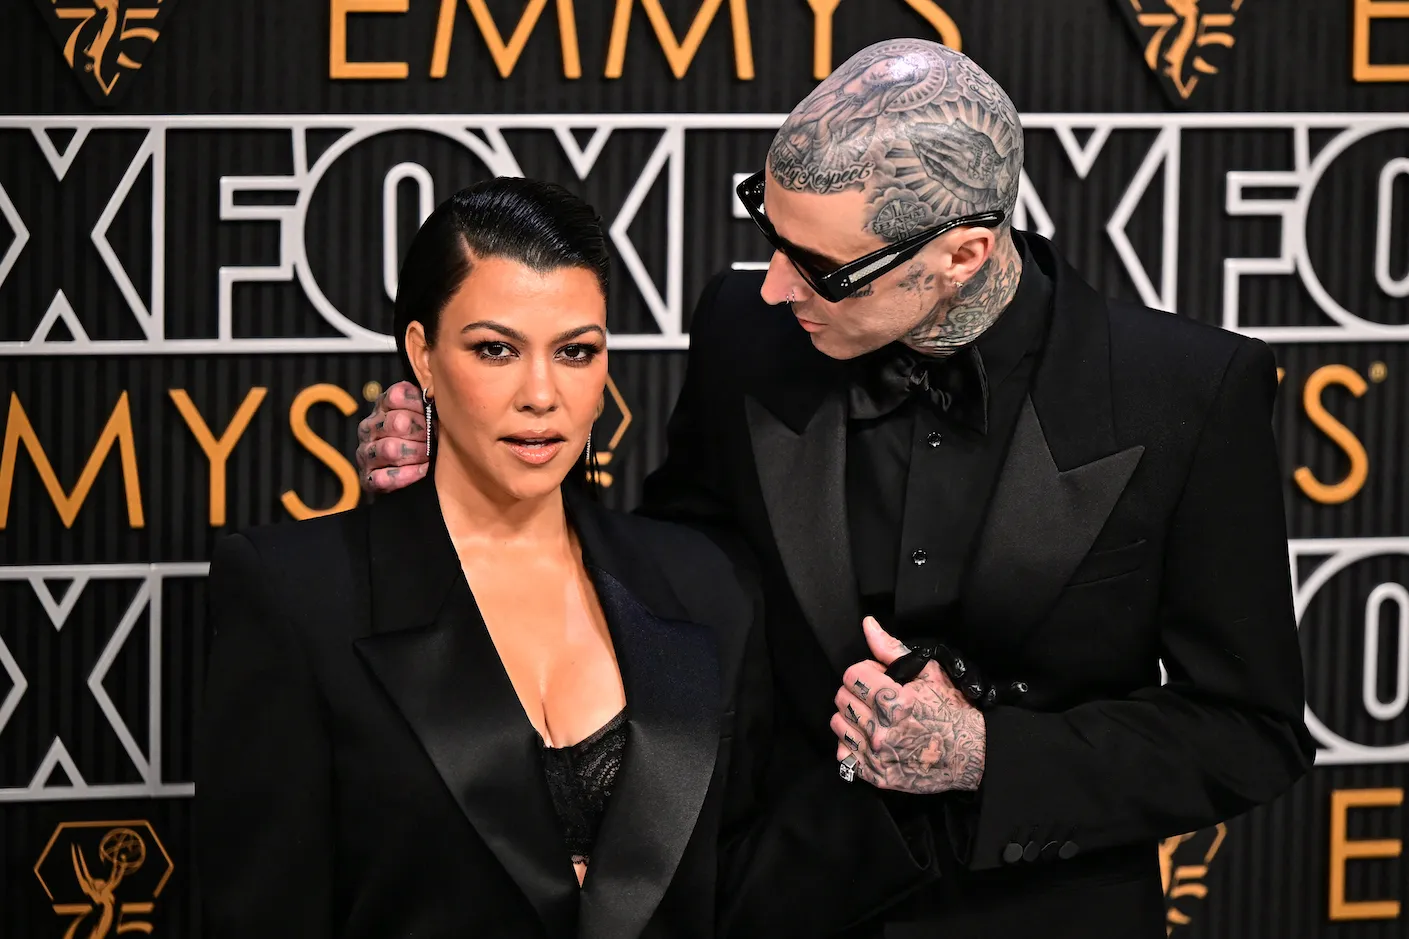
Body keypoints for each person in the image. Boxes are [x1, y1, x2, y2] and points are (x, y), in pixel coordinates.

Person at [354, 40, 1315, 939]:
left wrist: (986, 755)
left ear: (962, 255)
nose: (773, 285)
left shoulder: (1185, 393)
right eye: (767, 231)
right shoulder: (745, 331)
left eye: (818, 267)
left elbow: (1248, 730)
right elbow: (671, 579)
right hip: (778, 900)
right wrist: (477, 480)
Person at [194, 177, 771, 939]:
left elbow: (749, 886)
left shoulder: (705, 585)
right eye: (495, 349)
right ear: (422, 356)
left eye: (575, 351)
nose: (541, 393)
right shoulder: (296, 593)